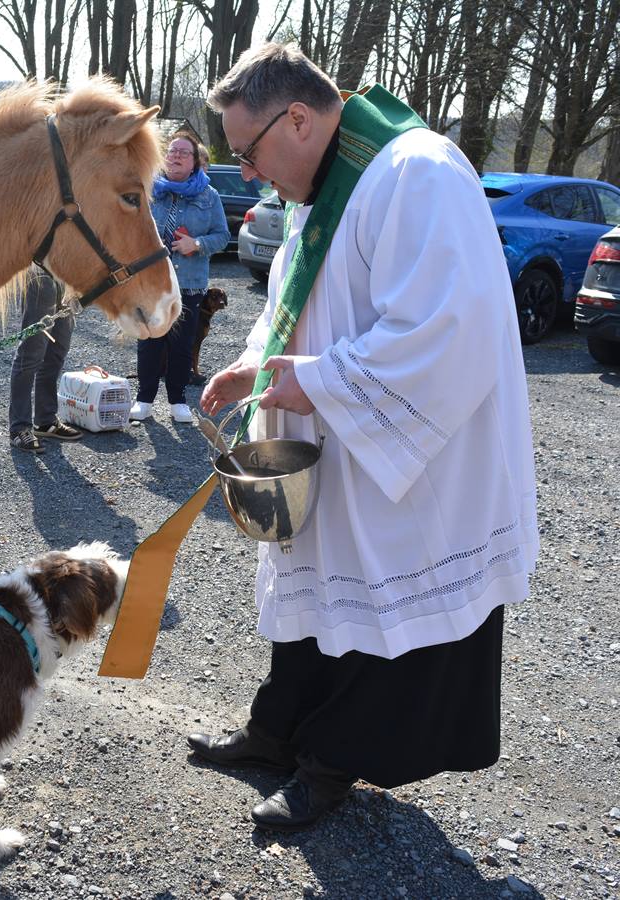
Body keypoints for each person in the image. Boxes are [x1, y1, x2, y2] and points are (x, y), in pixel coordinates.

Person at [190, 43, 538, 831]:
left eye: (247, 151)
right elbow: (304, 303)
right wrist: (255, 365)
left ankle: (332, 764)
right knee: (319, 585)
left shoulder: (419, 171)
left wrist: (315, 380)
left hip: (413, 464)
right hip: (343, 445)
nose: (246, 172)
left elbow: (446, 330)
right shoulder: (325, 190)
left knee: (385, 603)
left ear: (300, 119)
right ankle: (278, 731)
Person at [130, 133, 229, 424]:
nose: (174, 156)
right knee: (149, 340)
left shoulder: (209, 196)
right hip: (151, 281)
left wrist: (196, 244)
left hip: (189, 283)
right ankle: (144, 399)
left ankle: (178, 400)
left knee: (182, 343)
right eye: (171, 151)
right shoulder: (148, 189)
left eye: (183, 153)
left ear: (195, 161)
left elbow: (222, 236)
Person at [8, 265, 82, 452]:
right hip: (40, 272)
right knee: (31, 353)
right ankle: (19, 428)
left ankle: (45, 420)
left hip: (69, 275)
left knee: (57, 352)